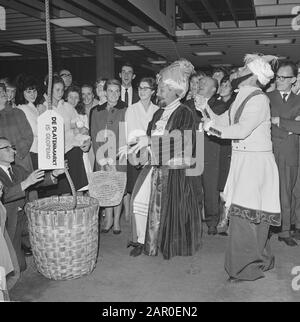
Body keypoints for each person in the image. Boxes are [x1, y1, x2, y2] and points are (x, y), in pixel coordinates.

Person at [196, 53, 280, 282]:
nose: (237, 72)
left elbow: (241, 130)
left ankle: (244, 268)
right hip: (244, 162)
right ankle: (262, 260)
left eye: (243, 70)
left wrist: (211, 126)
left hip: (255, 164)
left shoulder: (258, 99)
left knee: (246, 218)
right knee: (253, 218)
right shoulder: (242, 96)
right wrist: (205, 110)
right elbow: (223, 122)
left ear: (253, 76)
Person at [128, 59, 203, 259]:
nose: (158, 93)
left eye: (162, 89)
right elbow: (147, 136)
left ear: (174, 91)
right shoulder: (159, 113)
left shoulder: (184, 113)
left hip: (174, 173)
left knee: (168, 211)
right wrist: (139, 153)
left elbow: (182, 143)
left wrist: (149, 142)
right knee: (138, 201)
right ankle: (143, 240)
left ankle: (162, 243)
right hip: (154, 167)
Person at [0, 137, 64, 271]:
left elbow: (36, 181)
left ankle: (26, 243)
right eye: (7, 148)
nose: (13, 151)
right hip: (6, 223)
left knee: (49, 231)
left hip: (23, 217)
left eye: (12, 147)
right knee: (17, 268)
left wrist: (54, 174)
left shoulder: (17, 170)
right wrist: (26, 183)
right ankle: (19, 246)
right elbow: (4, 195)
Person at [38, 76, 89, 196]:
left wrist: (85, 137)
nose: (60, 93)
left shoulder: (67, 107)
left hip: (72, 149)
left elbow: (78, 127)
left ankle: (78, 215)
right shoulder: (43, 108)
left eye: (62, 90)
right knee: (62, 192)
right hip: (55, 153)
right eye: (57, 90)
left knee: (78, 190)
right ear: (49, 89)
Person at [268, 61, 300, 246]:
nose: (278, 80)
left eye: (283, 77)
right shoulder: (266, 97)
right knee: (269, 191)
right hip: (268, 151)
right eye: (277, 76)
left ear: (293, 80)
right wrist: (290, 126)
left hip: (290, 152)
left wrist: (280, 120)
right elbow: (263, 122)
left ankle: (285, 230)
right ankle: (269, 226)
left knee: (287, 192)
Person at [90, 79, 127, 234]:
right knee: (106, 186)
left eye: (117, 91)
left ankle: (117, 221)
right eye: (110, 91)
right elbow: (94, 134)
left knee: (118, 187)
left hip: (119, 154)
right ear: (105, 92)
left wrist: (116, 157)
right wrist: (102, 159)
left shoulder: (126, 109)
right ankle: (109, 219)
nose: (114, 94)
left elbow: (126, 133)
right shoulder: (96, 110)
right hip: (102, 154)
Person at [122, 77, 159, 221]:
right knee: (136, 191)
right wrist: (133, 155)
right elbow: (128, 134)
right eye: (140, 88)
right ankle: (135, 229)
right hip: (135, 152)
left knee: (151, 190)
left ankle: (150, 223)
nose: (142, 91)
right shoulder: (131, 109)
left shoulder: (157, 110)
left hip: (152, 153)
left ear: (153, 91)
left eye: (146, 88)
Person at [65, 85, 94, 179]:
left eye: (76, 97)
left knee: (80, 186)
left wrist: (86, 136)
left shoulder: (82, 115)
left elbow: (86, 134)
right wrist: (76, 131)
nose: (73, 100)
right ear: (66, 97)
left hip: (80, 153)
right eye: (71, 97)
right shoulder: (61, 113)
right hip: (66, 153)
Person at [16, 75, 40, 170]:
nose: (32, 94)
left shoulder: (33, 107)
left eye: (34, 91)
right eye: (29, 92)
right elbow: (35, 130)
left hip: (38, 150)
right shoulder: (22, 108)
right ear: (22, 93)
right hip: (31, 152)